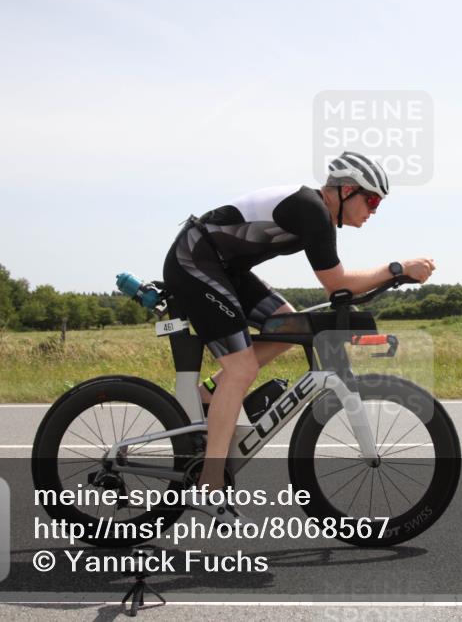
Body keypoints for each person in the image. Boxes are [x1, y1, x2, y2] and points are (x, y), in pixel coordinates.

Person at [162, 151, 435, 524]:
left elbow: (342, 290)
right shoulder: (313, 210)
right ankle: (209, 486)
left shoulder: (316, 211)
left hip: (225, 266)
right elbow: (336, 284)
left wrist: (392, 276)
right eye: (371, 200)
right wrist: (396, 268)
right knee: (241, 369)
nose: (374, 210)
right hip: (195, 259)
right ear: (347, 190)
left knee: (287, 326)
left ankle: (212, 394)